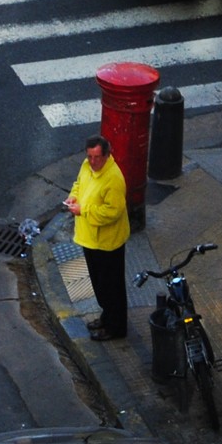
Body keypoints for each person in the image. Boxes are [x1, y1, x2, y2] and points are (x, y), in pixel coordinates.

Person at [63, 135, 130, 341]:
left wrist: (83, 209)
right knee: (99, 284)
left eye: (97, 157)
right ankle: (107, 316)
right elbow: (79, 183)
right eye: (90, 156)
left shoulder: (114, 179)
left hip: (107, 243)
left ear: (107, 155)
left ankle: (116, 328)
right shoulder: (87, 166)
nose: (93, 161)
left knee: (112, 287)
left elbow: (112, 212)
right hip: (90, 239)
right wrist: (74, 196)